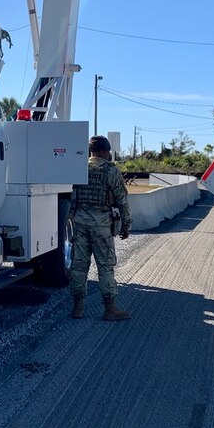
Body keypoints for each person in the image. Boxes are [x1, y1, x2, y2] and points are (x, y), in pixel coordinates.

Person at [69, 135, 132, 322]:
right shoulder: (111, 171)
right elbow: (122, 200)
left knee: (79, 266)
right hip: (101, 225)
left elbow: (72, 198)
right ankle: (110, 309)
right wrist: (126, 224)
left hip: (80, 223)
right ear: (104, 152)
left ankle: (78, 308)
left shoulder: (79, 168)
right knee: (105, 267)